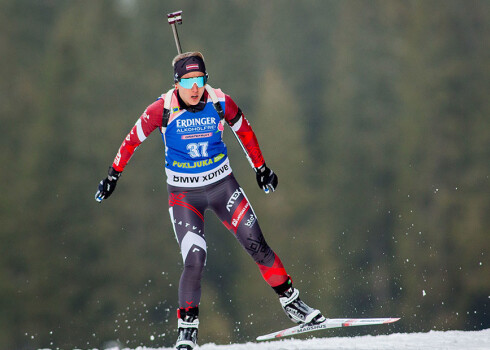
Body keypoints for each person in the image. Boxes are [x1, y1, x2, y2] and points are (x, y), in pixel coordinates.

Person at [95, 52, 324, 349]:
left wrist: (262, 169)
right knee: (194, 259)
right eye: (187, 81)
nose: (194, 88)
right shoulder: (161, 109)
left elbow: (245, 131)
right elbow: (131, 140)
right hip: (184, 196)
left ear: (206, 79)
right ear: (176, 83)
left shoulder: (219, 102)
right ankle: (187, 332)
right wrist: (113, 176)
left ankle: (293, 305)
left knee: (257, 244)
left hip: (222, 187)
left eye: (199, 80)